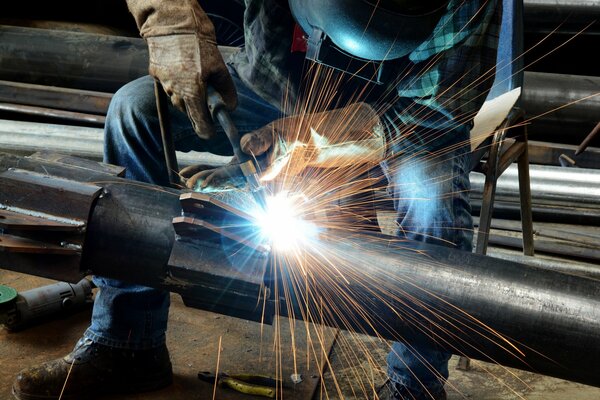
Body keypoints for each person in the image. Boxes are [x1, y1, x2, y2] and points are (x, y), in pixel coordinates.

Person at [12, 1, 501, 399]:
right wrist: (170, 20)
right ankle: (128, 343)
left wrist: (313, 139)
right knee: (135, 110)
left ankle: (413, 389)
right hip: (277, 80)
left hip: (404, 111)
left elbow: (439, 110)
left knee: (434, 198)